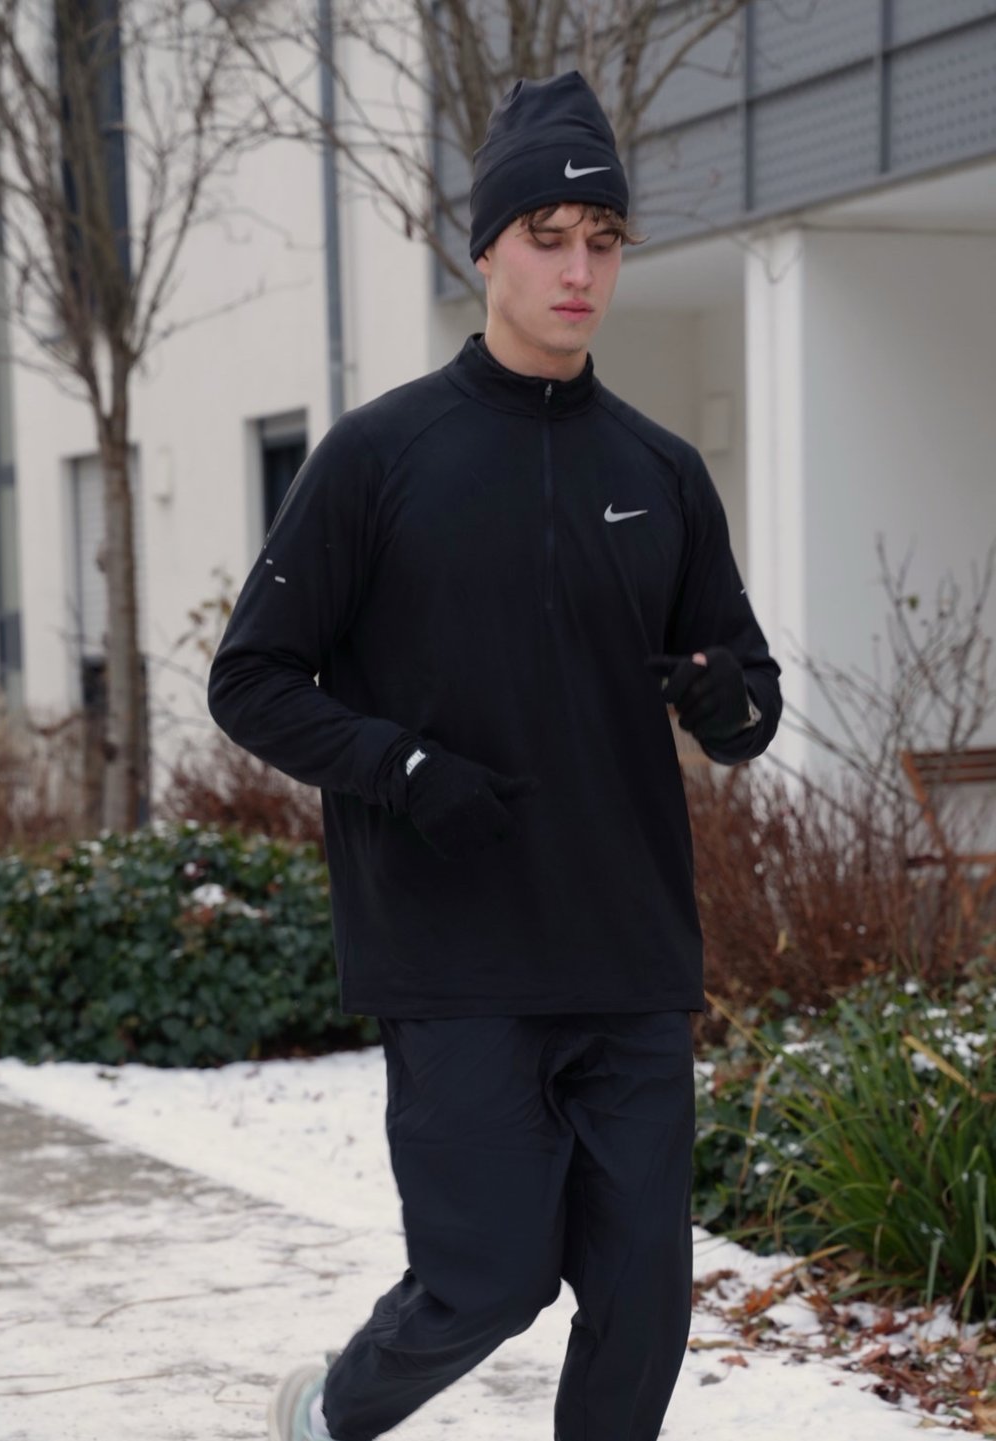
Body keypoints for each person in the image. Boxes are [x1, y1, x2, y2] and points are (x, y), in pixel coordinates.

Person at [208, 69, 781, 1441]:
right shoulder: (379, 456)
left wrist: (713, 697)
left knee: (644, 1301)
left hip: (630, 951)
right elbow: (253, 679)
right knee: (490, 1277)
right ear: (486, 248)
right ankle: (336, 1410)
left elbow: (749, 705)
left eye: (604, 243)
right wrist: (401, 770)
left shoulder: (661, 469)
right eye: (548, 237)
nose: (580, 270)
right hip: (456, 956)